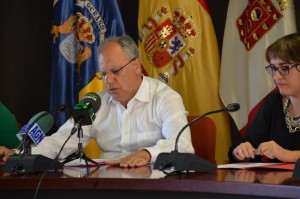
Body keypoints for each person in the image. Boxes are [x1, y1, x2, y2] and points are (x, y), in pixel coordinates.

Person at [0, 35, 194, 167]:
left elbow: (182, 145)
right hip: (107, 185)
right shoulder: (96, 103)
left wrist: (147, 154)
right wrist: (18, 154)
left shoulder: (165, 98)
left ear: (136, 65)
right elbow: (61, 140)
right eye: (103, 74)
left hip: (155, 186)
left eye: (115, 71)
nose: (108, 81)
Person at [228, 33, 300, 163]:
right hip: (276, 183)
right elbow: (248, 143)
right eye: (273, 68)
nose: (276, 77)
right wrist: (240, 151)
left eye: (284, 68)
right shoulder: (274, 102)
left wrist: (286, 155)